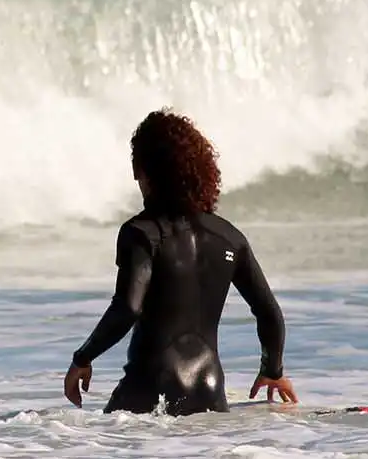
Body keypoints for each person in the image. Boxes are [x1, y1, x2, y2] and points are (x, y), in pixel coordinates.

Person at [62, 108, 298, 415]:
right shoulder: (230, 237)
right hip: (210, 392)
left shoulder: (141, 233)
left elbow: (128, 308)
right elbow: (269, 313)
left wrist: (83, 358)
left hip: (149, 389)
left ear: (141, 171)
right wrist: (273, 370)